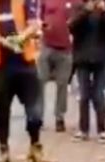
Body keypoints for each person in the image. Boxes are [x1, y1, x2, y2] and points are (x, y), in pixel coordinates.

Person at [0, 0, 51, 162]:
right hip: (1, 67)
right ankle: (3, 149)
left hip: (25, 65)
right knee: (3, 110)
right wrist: (3, 42)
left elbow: (33, 25)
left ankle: (35, 146)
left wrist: (20, 38)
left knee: (34, 109)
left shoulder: (24, 2)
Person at [70, 0, 105, 141]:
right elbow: (71, 27)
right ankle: (83, 129)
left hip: (100, 58)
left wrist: (104, 12)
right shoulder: (80, 6)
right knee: (84, 95)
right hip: (82, 57)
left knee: (99, 95)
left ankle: (102, 130)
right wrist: (86, 11)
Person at [38, 0, 74, 132]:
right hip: (47, 46)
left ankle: (59, 118)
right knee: (40, 81)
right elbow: (38, 17)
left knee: (62, 84)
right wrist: (42, 25)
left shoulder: (76, 2)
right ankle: (38, 117)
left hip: (65, 49)